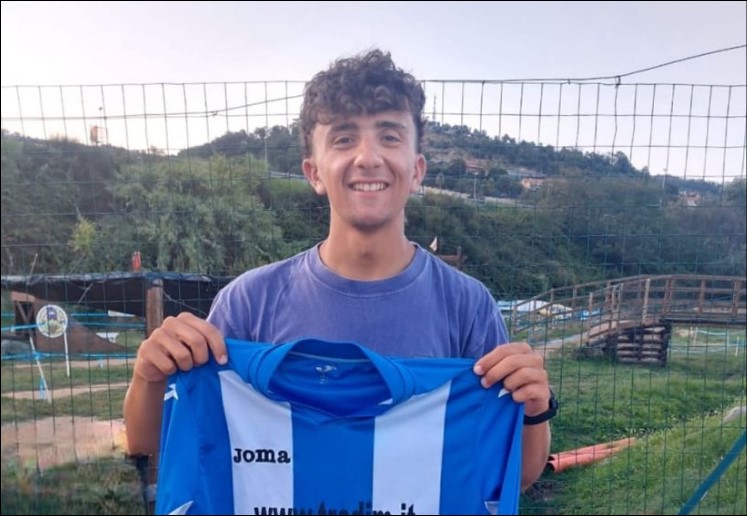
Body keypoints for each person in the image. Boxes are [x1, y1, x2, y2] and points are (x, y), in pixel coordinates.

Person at [123, 48, 553, 492]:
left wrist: (534, 408)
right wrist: (149, 376)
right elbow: (148, 442)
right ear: (314, 172)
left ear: (417, 170)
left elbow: (516, 478)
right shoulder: (249, 302)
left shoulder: (467, 306)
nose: (367, 157)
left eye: (389, 136)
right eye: (344, 139)